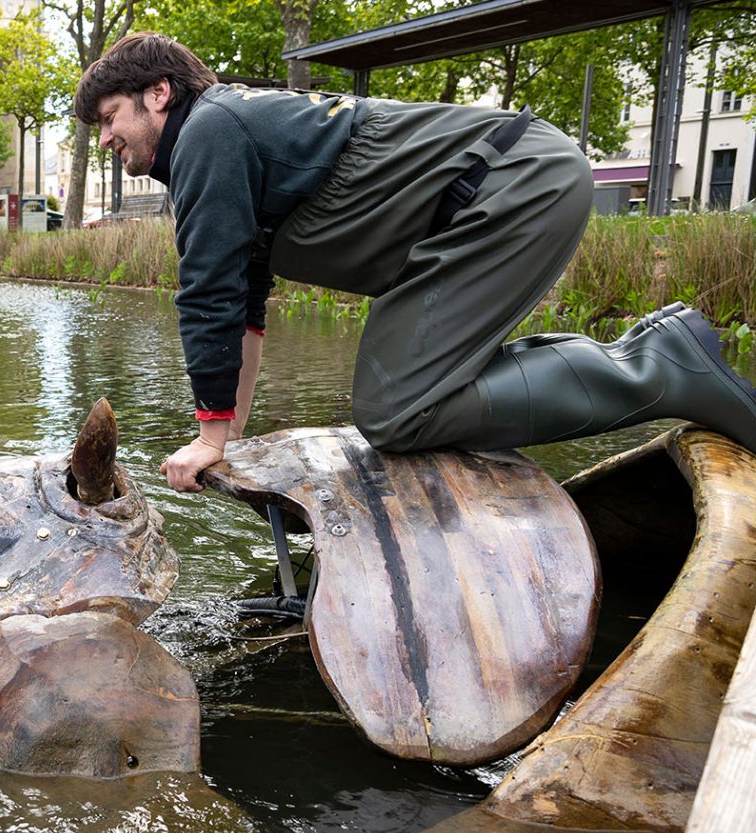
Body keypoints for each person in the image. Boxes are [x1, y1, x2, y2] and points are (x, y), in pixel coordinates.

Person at [73, 33, 756, 493]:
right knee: (402, 400)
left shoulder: (209, 131)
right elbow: (244, 309)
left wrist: (207, 438)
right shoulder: (226, 135)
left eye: (108, 117)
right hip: (490, 202)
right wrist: (226, 439)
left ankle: (659, 369)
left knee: (398, 412)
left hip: (511, 186)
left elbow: (207, 293)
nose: (105, 138)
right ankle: (647, 358)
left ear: (159, 93)